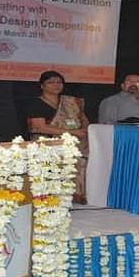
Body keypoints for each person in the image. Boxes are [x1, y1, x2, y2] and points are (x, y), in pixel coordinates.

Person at [24, 70, 90, 203]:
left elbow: (84, 120)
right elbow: (39, 127)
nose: (56, 85)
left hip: (74, 144)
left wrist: (83, 131)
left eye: (59, 82)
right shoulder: (35, 103)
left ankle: (75, 196)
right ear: (42, 86)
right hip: (47, 145)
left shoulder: (71, 102)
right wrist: (73, 133)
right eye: (51, 82)